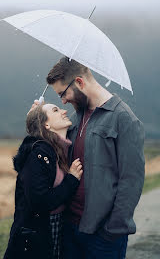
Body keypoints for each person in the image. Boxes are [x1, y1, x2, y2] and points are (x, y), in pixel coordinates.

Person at [42, 56, 144, 259]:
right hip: (70, 228)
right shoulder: (76, 117)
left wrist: (112, 230)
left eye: (63, 93)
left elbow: (131, 181)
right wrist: (37, 120)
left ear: (79, 82)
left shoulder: (123, 118)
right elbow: (50, 148)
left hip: (103, 236)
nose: (62, 101)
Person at [3, 103, 83, 259]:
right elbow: (40, 201)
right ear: (46, 124)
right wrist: (72, 179)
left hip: (56, 226)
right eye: (56, 110)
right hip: (38, 233)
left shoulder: (59, 149)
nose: (64, 110)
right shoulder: (39, 153)